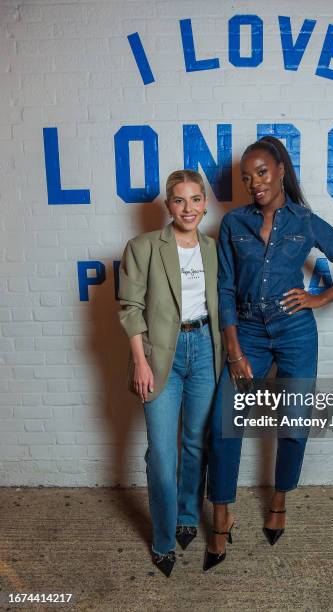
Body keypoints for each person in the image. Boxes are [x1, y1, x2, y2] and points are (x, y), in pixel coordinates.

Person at [203, 136, 333, 571]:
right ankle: (222, 514)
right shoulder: (233, 223)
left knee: (294, 424)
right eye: (246, 177)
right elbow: (223, 288)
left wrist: (319, 298)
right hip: (249, 332)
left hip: (295, 331)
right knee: (226, 424)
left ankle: (279, 500)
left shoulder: (306, 221)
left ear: (280, 169)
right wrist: (235, 349)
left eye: (261, 172)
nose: (254, 182)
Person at [118, 170, 223, 578]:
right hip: (161, 355)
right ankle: (163, 539)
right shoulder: (143, 247)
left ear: (205, 203)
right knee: (162, 454)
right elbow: (130, 307)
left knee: (196, 443)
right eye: (179, 200)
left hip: (205, 351)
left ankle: (186, 516)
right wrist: (141, 362)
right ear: (168, 206)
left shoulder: (214, 249)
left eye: (196, 199)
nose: (189, 208)